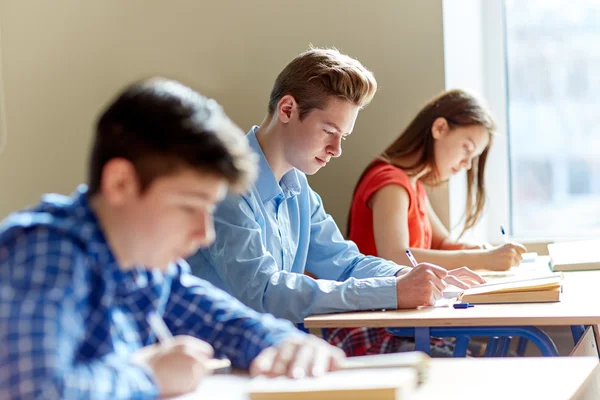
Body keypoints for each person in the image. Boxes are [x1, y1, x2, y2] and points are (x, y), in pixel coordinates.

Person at [0, 78, 345, 399]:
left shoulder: (145, 265)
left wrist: (287, 343)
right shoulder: (47, 251)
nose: (204, 233)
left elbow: (224, 322)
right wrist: (148, 375)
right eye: (187, 207)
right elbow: (31, 389)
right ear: (121, 183)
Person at [188, 48, 483, 357]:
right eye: (328, 131)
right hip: (215, 361)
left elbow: (345, 262)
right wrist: (393, 292)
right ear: (287, 109)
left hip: (270, 352)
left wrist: (407, 276)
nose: (336, 149)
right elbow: (262, 292)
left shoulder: (297, 187)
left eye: (343, 136)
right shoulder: (227, 186)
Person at [324, 88, 527, 355]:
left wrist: (485, 252)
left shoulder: (413, 183)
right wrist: (485, 260)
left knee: (504, 356)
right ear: (440, 128)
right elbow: (396, 256)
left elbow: (443, 243)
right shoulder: (390, 183)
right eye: (466, 148)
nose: (467, 164)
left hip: (406, 321)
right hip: (377, 326)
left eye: (473, 157)